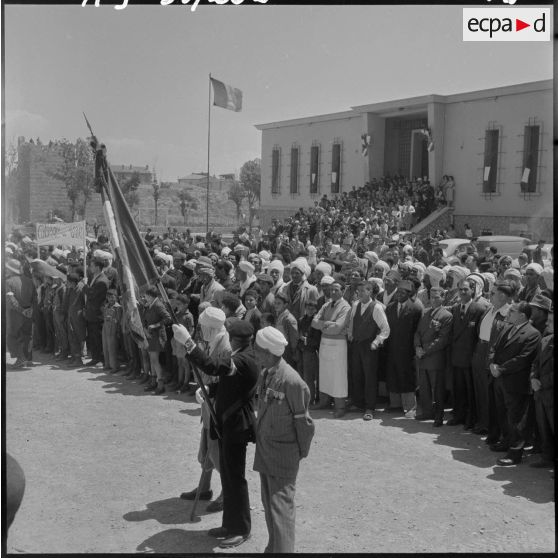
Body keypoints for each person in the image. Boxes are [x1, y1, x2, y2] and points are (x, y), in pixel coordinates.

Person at [173, 319, 259, 549]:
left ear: (234, 338)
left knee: (235, 478)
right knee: (228, 477)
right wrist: (210, 389)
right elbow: (228, 383)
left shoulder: (243, 359)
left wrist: (189, 343)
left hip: (236, 425)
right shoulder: (242, 353)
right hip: (226, 422)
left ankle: (241, 529)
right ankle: (229, 524)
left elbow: (213, 367)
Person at [252, 326, 315, 553]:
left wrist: (299, 453)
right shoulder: (267, 373)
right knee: (269, 506)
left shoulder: (292, 381)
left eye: (257, 350)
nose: (254, 353)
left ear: (269, 352)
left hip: (284, 455)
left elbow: (304, 424)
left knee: (282, 511)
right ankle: (274, 548)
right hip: (266, 451)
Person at [179, 307, 231, 514]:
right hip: (208, 402)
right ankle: (205, 486)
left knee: (216, 449)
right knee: (205, 445)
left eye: (202, 325)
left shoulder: (224, 345)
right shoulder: (214, 339)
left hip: (217, 403)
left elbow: (217, 372)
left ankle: (227, 493)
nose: (200, 329)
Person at [488, 301, 541, 466]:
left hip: (516, 382)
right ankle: (506, 441)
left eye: (512, 311)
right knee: (502, 413)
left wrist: (501, 369)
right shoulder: (508, 327)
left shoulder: (533, 334)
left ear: (522, 316)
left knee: (516, 418)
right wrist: (492, 363)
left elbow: (523, 359)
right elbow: (494, 347)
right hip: (500, 379)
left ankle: (515, 453)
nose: (508, 313)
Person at [346, 281, 390, 420]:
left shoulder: (376, 308)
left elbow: (385, 329)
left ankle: (369, 407)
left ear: (370, 291)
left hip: (369, 347)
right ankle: (358, 403)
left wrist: (376, 342)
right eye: (358, 291)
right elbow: (352, 321)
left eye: (363, 290)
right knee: (356, 374)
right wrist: (350, 334)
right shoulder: (355, 305)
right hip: (357, 345)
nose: (359, 293)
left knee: (370, 377)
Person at [447, 278, 487, 429]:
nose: (463, 292)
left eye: (466, 289)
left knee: (471, 391)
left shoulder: (479, 309)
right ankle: (459, 416)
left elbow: (479, 336)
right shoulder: (455, 308)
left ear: (473, 290)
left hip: (470, 358)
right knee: (458, 389)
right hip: (457, 357)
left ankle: (471, 419)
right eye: (460, 289)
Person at [311, 280, 351, 417]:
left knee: (338, 376)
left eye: (336, 290)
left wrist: (323, 325)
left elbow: (337, 328)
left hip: (338, 345)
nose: (333, 292)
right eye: (331, 290)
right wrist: (327, 324)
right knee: (325, 374)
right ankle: (324, 402)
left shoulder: (346, 307)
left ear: (343, 291)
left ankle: (340, 406)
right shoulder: (326, 305)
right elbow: (313, 322)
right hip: (324, 344)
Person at [414, 287, 453, 426]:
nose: (434, 300)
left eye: (437, 297)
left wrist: (426, 350)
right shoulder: (425, 312)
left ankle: (439, 416)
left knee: (437, 388)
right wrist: (418, 347)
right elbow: (418, 332)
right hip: (422, 355)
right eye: (432, 297)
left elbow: (442, 339)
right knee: (424, 387)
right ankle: (427, 412)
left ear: (443, 298)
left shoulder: (446, 315)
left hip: (435, 356)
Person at [384, 279, 423, 416]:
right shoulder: (390, 307)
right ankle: (395, 405)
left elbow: (418, 331)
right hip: (392, 348)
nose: (399, 294)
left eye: (403, 292)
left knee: (407, 377)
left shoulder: (416, 308)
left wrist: (415, 347)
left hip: (408, 350)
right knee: (393, 375)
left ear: (409, 293)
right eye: (398, 291)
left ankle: (410, 407)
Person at [529, 331, 554, 469]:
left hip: (549, 390)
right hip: (540, 393)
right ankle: (547, 457)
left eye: (550, 321)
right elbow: (535, 362)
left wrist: (541, 382)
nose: (547, 324)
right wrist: (533, 378)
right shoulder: (545, 340)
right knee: (543, 427)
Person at [5, 259, 36, 368]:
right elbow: (34, 297)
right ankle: (28, 359)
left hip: (15, 314)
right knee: (27, 336)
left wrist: (21, 310)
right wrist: (30, 309)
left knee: (12, 336)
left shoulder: (8, 282)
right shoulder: (29, 281)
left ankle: (20, 358)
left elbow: (11, 300)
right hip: (29, 313)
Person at [142, 286, 172, 394]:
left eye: (145, 295)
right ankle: (153, 382)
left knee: (154, 360)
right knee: (152, 359)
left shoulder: (158, 305)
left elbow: (168, 318)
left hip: (157, 336)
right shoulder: (150, 304)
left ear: (150, 295)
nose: (144, 297)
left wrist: (156, 325)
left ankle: (160, 385)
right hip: (151, 335)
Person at [83, 257, 110, 367]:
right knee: (92, 337)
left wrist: (85, 287)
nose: (90, 267)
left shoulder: (102, 281)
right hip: (91, 313)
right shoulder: (93, 277)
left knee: (97, 337)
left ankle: (101, 358)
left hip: (97, 313)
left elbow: (92, 294)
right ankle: (95, 358)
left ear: (98, 267)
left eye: (92, 266)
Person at [101, 289, 122, 374]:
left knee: (112, 348)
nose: (111, 299)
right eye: (109, 297)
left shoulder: (118, 307)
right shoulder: (106, 306)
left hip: (113, 329)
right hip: (105, 328)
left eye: (113, 297)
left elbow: (119, 320)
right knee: (105, 347)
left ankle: (115, 366)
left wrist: (117, 331)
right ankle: (107, 364)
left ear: (116, 297)